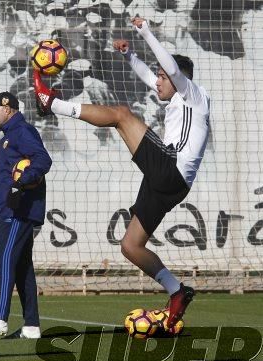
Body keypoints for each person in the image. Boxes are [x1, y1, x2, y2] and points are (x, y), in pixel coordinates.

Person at [33, 17, 209, 328]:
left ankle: (53, 104)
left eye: (161, 78)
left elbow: (170, 69)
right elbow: (151, 76)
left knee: (121, 115)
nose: (156, 82)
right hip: (171, 183)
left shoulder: (193, 94)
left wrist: (144, 32)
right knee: (130, 246)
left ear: (175, 77)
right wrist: (131, 57)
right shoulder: (175, 99)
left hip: (171, 168)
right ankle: (177, 291)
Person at [0, 92, 52, 339]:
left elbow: (43, 160)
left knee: (3, 257)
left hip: (20, 209)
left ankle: (0, 318)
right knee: (22, 267)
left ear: (7, 108)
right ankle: (31, 327)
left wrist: (22, 182)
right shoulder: (10, 135)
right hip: (11, 209)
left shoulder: (22, 132)